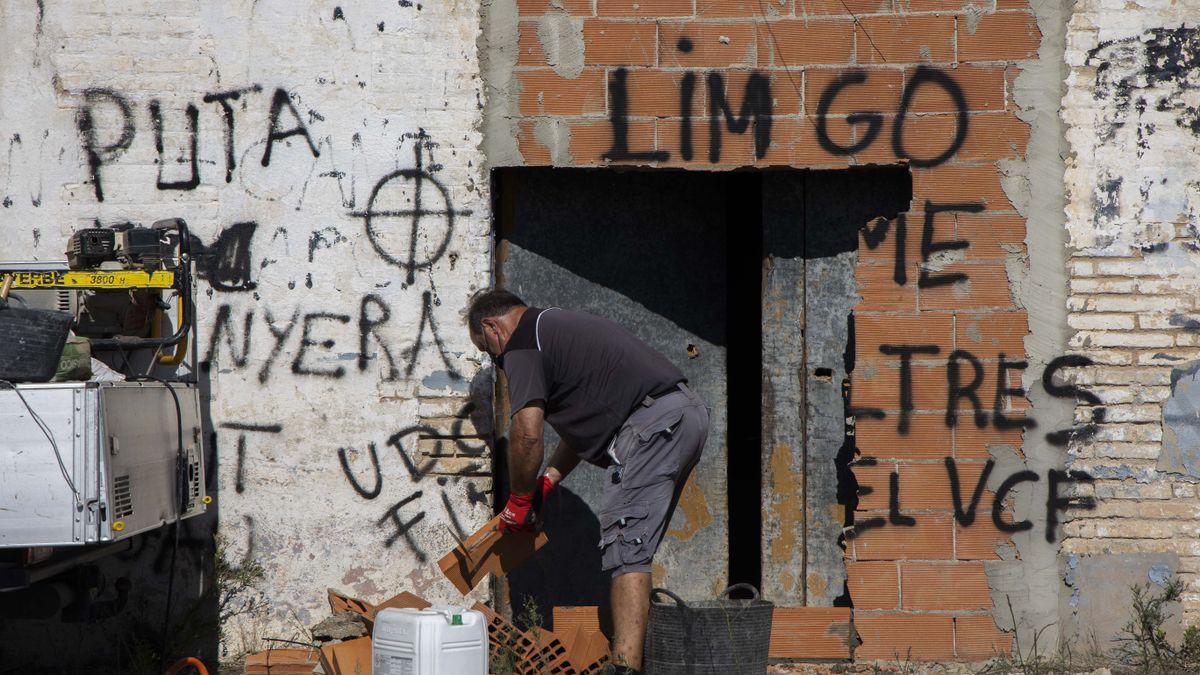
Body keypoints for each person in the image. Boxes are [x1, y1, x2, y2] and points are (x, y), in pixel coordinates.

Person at [467, 289, 710, 674]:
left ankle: (625, 667)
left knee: (628, 547)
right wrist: (547, 481)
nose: (497, 362)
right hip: (681, 416)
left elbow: (527, 433)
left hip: (652, 426)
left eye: (489, 353)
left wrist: (518, 500)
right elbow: (585, 429)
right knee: (636, 543)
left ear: (491, 327)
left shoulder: (522, 342)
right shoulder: (555, 327)